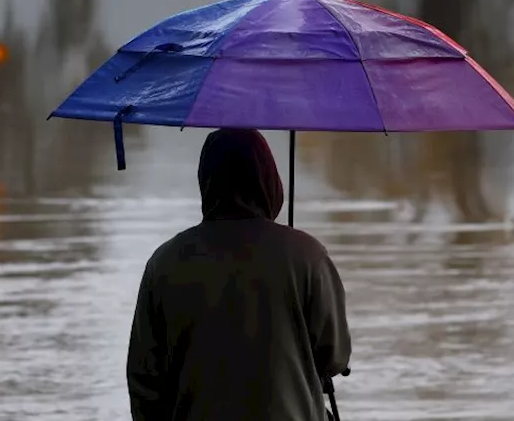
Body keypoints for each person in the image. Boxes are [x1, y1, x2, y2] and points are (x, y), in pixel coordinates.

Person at [126, 128, 352, 421]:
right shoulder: (308, 256)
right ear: (269, 180)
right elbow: (334, 356)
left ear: (206, 182)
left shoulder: (165, 262)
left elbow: (145, 381)